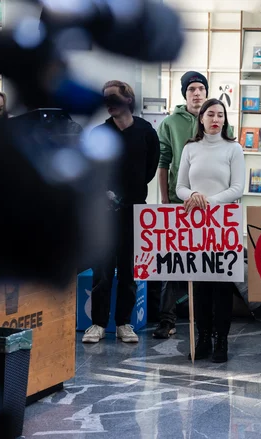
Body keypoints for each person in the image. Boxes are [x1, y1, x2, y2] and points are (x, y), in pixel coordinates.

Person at [155, 71, 235, 339]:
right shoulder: (170, 123)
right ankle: (166, 320)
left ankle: (211, 328)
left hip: (216, 209)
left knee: (208, 269)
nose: (197, 93)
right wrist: (166, 201)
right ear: (184, 94)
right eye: (192, 89)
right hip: (182, 202)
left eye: (201, 88)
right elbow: (163, 161)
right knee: (173, 263)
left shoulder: (222, 122)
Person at [82, 80, 160, 344]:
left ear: (128, 99)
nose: (108, 102)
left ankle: (124, 322)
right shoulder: (98, 134)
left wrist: (131, 192)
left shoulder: (146, 131)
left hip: (134, 210)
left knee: (128, 268)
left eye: (114, 97)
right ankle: (98, 323)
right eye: (105, 98)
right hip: (103, 212)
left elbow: (150, 169)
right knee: (102, 269)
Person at [176, 98, 245, 363]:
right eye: (211, 115)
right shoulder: (190, 148)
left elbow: (238, 188)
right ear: (201, 118)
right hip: (195, 227)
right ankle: (203, 337)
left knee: (222, 288)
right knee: (200, 286)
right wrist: (193, 194)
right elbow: (180, 186)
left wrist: (209, 201)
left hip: (224, 225)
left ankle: (221, 341)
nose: (216, 119)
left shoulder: (233, 148)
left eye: (220, 115)